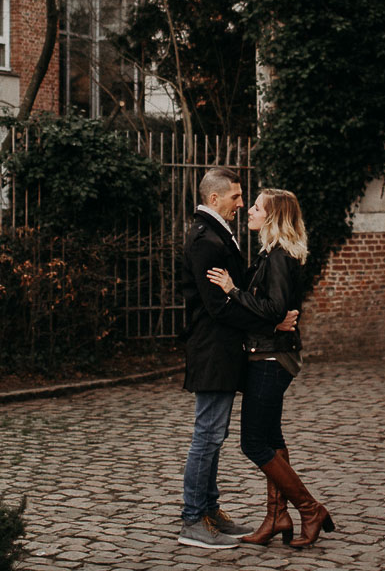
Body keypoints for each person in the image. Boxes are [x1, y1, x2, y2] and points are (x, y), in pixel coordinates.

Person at [206, 188, 335, 548]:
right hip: (269, 353)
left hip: (271, 358)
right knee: (272, 440)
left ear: (272, 216)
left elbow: (275, 309)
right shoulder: (271, 254)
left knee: (253, 443)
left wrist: (232, 290)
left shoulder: (278, 257)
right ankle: (277, 516)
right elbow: (279, 310)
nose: (249, 210)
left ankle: (310, 509)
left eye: (258, 207)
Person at [176, 166, 279, 549]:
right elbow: (218, 306)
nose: (241, 201)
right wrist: (268, 321)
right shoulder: (206, 239)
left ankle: (210, 510)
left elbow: (235, 288)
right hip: (212, 349)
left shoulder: (218, 234)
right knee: (207, 434)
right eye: (236, 196)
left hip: (222, 349)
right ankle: (192, 519)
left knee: (214, 434)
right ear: (214, 198)